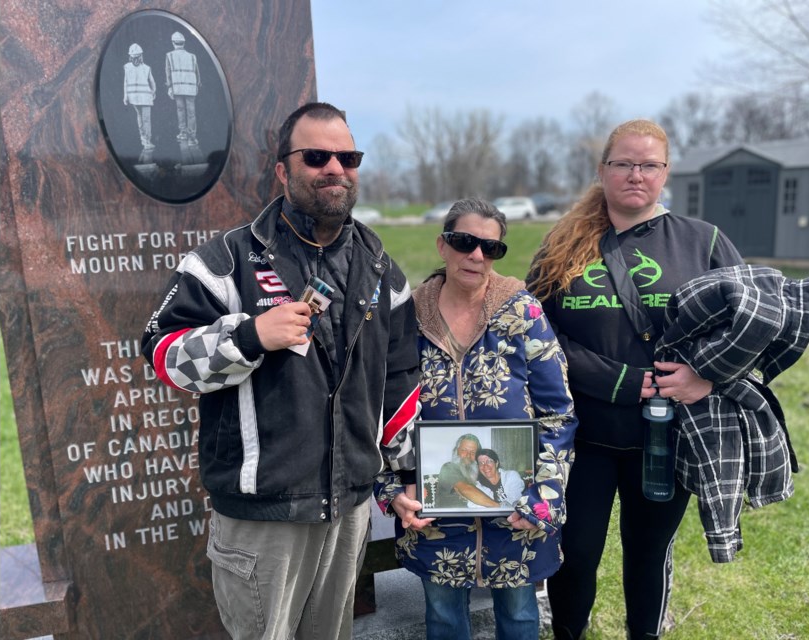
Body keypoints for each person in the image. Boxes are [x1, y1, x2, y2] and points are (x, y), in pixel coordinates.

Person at [141, 102, 421, 640]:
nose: (335, 168)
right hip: (262, 517)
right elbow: (166, 357)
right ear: (282, 170)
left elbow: (400, 381)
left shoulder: (381, 269)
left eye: (348, 156)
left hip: (347, 508)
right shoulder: (224, 261)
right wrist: (251, 336)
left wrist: (404, 477)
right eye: (317, 156)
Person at [525, 119, 744, 640]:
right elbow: (534, 331)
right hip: (579, 438)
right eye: (623, 164)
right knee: (574, 554)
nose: (635, 175)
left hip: (665, 439)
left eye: (648, 165)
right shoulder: (562, 244)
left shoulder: (702, 241)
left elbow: (754, 325)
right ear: (602, 171)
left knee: (647, 556)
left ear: (665, 173)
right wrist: (616, 381)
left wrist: (705, 378)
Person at [376, 198, 578, 640]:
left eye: (491, 248)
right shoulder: (405, 318)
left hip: (518, 510)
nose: (477, 256)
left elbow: (558, 412)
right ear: (443, 245)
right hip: (434, 517)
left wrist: (544, 495)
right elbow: (378, 412)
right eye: (465, 242)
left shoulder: (524, 313)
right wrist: (392, 490)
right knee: (444, 618)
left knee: (521, 615)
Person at [434, 433, 501, 508]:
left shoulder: (478, 472)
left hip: (476, 517)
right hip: (450, 517)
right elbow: (466, 489)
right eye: (464, 450)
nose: (468, 455)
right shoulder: (449, 468)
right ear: (456, 451)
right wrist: (498, 507)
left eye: (473, 452)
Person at [165, 31, 201, 146]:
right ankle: (192, 138)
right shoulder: (192, 56)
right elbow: (197, 73)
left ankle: (183, 133)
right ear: (183, 43)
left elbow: (168, 73)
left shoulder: (169, 56)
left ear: (173, 43)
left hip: (178, 88)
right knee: (191, 113)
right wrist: (197, 85)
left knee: (180, 110)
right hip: (190, 88)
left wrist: (170, 87)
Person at [122, 43, 156, 150]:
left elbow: (126, 83)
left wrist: (126, 96)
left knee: (141, 118)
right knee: (145, 119)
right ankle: (147, 140)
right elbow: (152, 83)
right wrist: (153, 92)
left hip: (134, 98)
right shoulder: (146, 68)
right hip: (144, 98)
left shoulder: (127, 67)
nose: (136, 59)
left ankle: (144, 138)